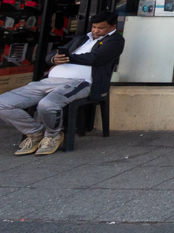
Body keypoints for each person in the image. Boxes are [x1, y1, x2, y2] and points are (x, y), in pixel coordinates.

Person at [0, 11, 125, 155]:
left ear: (112, 27)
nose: (96, 31)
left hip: (79, 83)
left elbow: (96, 58)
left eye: (101, 28)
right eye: (94, 27)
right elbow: (53, 54)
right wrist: (54, 59)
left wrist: (68, 58)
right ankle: (36, 132)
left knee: (47, 105)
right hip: (49, 81)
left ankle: (53, 135)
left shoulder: (116, 40)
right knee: (3, 103)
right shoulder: (82, 38)